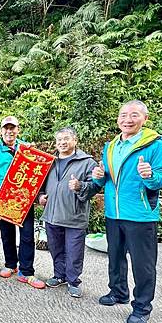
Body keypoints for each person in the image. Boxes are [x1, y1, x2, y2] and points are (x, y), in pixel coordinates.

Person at [92, 100, 162, 323]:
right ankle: (118, 292)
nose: (127, 119)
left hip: (140, 214)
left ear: (144, 119)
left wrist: (149, 175)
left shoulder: (153, 145)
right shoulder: (110, 146)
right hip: (113, 213)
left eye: (134, 115)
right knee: (115, 257)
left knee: (143, 264)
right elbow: (104, 179)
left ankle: (142, 307)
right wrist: (98, 175)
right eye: (123, 115)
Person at [39, 127, 99, 298]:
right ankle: (59, 275)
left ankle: (73, 281)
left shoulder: (87, 162)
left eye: (66, 139)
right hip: (52, 214)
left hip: (74, 215)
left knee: (74, 251)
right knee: (55, 248)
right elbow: (40, 184)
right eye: (59, 140)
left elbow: (95, 186)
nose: (62, 143)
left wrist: (80, 186)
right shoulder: (50, 161)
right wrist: (41, 196)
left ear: (75, 141)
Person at [0, 116, 45, 289]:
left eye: (13, 128)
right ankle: (11, 264)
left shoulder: (27, 148)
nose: (9, 131)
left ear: (18, 130)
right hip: (4, 200)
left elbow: (37, 173)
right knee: (7, 234)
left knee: (27, 236)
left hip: (24, 200)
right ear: (1, 131)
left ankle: (27, 271)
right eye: (6, 128)